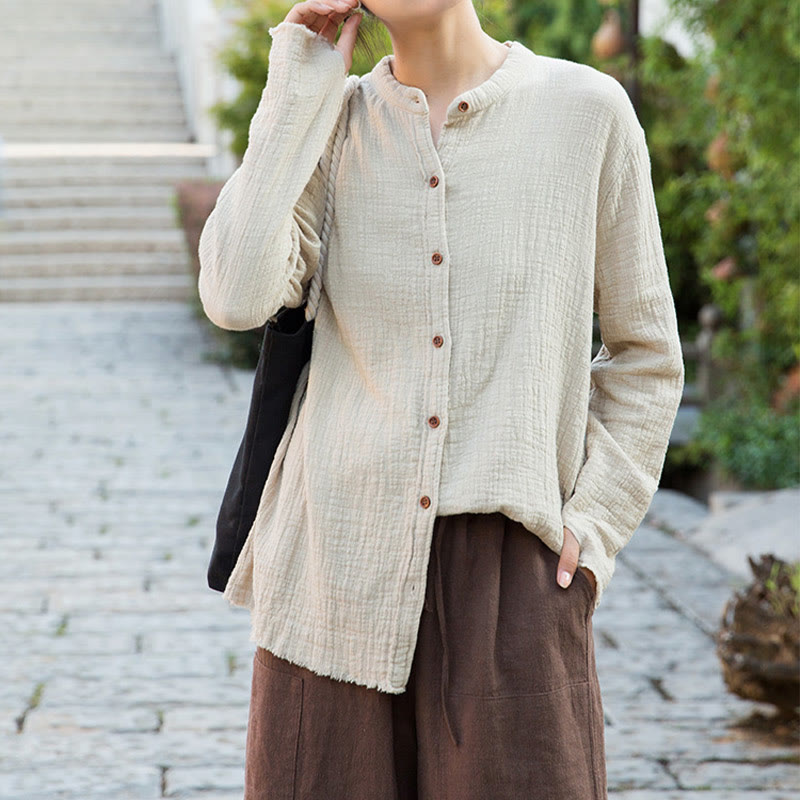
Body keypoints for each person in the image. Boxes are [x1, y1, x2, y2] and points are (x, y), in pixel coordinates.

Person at [197, 1, 685, 797]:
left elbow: (646, 354)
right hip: (329, 577)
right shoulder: (333, 125)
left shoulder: (587, 113)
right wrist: (297, 78)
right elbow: (234, 290)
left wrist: (594, 523)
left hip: (511, 588)